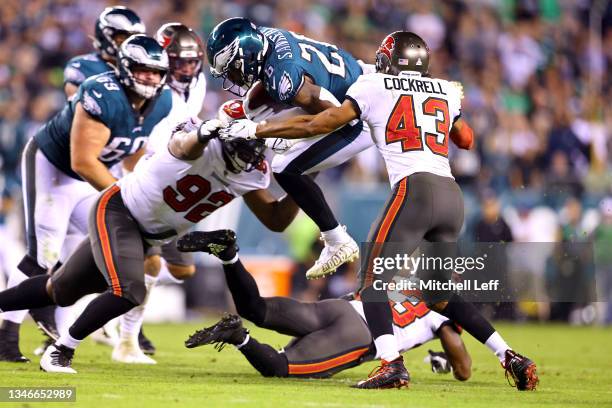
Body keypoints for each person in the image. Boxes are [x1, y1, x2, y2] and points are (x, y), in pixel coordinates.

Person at [219, 31, 538, 391]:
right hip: (452, 196)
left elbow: (319, 123)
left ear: (387, 60)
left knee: (372, 281)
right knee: (440, 294)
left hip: (414, 190)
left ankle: (391, 364)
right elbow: (466, 140)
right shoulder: (446, 90)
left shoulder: (374, 84)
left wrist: (258, 128)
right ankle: (508, 355)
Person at [0, 102, 299, 374]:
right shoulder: (196, 139)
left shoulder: (253, 172)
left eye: (256, 146)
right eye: (245, 144)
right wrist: (204, 134)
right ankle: (60, 352)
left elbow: (275, 219)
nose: (250, 154)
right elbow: (184, 146)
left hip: (149, 234)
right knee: (128, 291)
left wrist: (304, 177)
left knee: (60, 290)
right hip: (120, 210)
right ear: (222, 135)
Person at [0, 34, 170, 363]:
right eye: (141, 69)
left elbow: (132, 153)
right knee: (43, 254)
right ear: (124, 68)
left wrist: (138, 188)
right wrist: (126, 198)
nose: (149, 77)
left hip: (92, 175)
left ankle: (58, 340)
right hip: (55, 166)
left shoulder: (162, 103)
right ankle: (5, 336)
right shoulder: (101, 91)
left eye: (155, 71)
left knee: (84, 258)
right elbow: (82, 160)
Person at [178, 229, 472, 382]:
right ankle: (236, 336)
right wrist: (449, 358)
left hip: (342, 307)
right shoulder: (441, 311)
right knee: (279, 368)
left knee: (256, 309)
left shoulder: (407, 278)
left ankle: (229, 254)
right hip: (358, 334)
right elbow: (464, 369)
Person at [207, 17, 378, 279]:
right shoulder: (265, 40)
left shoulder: (285, 74)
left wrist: (260, 131)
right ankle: (298, 154)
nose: (231, 78)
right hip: (355, 80)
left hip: (359, 112)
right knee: (244, 111)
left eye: (232, 69)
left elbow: (335, 117)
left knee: (284, 167)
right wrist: (264, 127)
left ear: (246, 55)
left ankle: (337, 240)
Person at [111, 22, 209, 364]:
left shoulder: (197, 83)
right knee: (149, 262)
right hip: (140, 178)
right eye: (177, 62)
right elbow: (132, 144)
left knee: (182, 270)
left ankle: (118, 306)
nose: (184, 69)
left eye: (191, 62)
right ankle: (126, 335)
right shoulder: (147, 84)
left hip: (172, 179)